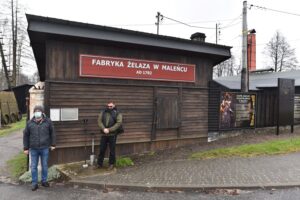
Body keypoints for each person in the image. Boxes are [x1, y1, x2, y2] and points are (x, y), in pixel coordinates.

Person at [23, 105, 56, 191]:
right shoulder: (29, 123)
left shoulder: (48, 122)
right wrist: (25, 148)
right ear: (34, 113)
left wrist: (53, 144)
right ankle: (34, 183)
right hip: (33, 149)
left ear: (42, 112)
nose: (37, 113)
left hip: (44, 148)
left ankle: (44, 181)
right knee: (33, 166)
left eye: (39, 111)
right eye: (36, 111)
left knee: (44, 165)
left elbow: (52, 133)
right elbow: (25, 136)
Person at [97, 101, 122, 170]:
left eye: (110, 106)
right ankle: (99, 164)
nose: (109, 107)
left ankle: (111, 164)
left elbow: (119, 123)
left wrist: (109, 130)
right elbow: (99, 121)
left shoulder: (117, 113)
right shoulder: (103, 112)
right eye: (108, 106)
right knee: (102, 149)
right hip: (104, 134)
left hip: (113, 134)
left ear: (114, 106)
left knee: (112, 150)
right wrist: (104, 128)